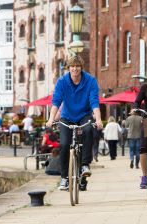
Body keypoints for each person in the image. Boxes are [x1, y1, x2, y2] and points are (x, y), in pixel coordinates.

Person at [45, 54, 102, 192]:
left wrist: (98, 119)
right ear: (68, 68)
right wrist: (51, 118)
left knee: (89, 130)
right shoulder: (62, 82)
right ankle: (64, 178)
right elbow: (56, 102)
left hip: (84, 115)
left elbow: (94, 101)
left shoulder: (90, 81)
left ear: (81, 68)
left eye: (77, 66)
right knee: (64, 144)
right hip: (67, 116)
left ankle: (84, 165)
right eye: (72, 66)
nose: (75, 69)